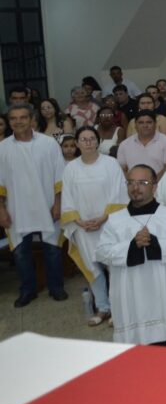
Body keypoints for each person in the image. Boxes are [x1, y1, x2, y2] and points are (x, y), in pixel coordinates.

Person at [96, 164, 166, 346]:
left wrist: (154, 243)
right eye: (131, 183)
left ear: (155, 187)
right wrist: (132, 246)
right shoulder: (115, 220)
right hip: (132, 297)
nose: (136, 187)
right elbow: (102, 252)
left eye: (142, 182)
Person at [0, 103, 68, 307]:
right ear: (9, 121)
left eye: (22, 117)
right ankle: (28, 290)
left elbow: (59, 177)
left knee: (52, 248)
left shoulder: (48, 144)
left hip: (47, 204)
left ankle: (56, 287)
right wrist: (1, 210)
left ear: (31, 119)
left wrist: (58, 204)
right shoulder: (2, 148)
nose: (18, 122)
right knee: (20, 251)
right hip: (16, 207)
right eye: (13, 118)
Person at [61, 126, 128, 325]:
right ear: (77, 143)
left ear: (98, 141)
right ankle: (103, 307)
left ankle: (118, 310)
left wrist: (103, 218)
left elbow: (118, 192)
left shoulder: (110, 163)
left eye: (92, 138)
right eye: (84, 139)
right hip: (83, 227)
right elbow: (67, 197)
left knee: (112, 267)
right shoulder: (71, 168)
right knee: (93, 268)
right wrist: (79, 220)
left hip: (109, 224)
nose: (88, 142)